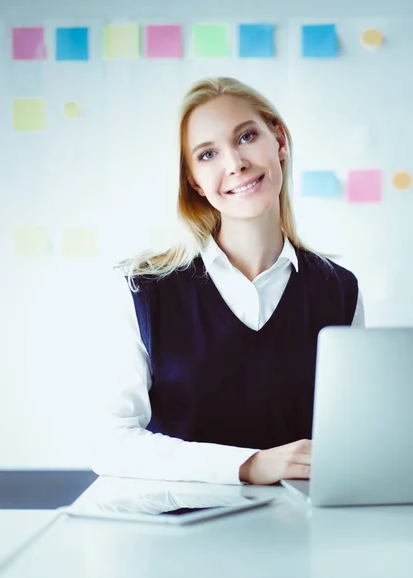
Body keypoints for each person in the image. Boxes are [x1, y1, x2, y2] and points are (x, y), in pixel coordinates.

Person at [92, 76, 365, 486]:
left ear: (280, 142)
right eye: (207, 155)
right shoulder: (143, 289)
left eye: (247, 136)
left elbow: (355, 436)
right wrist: (250, 465)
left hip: (302, 532)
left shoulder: (340, 289)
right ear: (193, 183)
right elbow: (109, 442)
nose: (235, 163)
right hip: (176, 534)